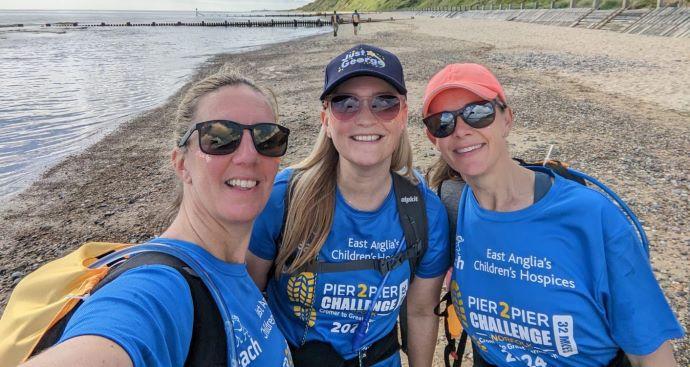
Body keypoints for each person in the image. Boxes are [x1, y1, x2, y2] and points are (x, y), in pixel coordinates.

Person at [21, 69, 294, 367]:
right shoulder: (159, 288)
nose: (248, 156)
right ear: (181, 163)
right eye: (218, 138)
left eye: (267, 139)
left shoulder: (234, 272)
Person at [422, 63, 685, 367]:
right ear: (434, 140)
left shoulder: (590, 217)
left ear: (507, 119)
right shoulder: (451, 208)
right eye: (442, 122)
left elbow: (650, 353)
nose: (461, 130)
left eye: (478, 112)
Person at [247, 44, 450, 367]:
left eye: (384, 103)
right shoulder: (282, 199)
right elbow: (247, 301)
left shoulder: (424, 213)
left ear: (402, 117)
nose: (366, 118)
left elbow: (422, 310)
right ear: (325, 120)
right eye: (346, 103)